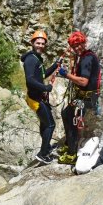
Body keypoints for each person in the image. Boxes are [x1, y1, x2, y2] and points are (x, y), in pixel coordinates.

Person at [57, 31, 101, 165]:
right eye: (74, 46)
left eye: (79, 44)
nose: (77, 48)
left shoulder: (87, 58)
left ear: (83, 43)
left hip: (86, 98)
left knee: (71, 119)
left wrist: (66, 75)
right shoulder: (84, 56)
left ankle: (71, 154)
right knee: (66, 114)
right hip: (83, 96)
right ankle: (68, 143)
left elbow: (83, 82)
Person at [21, 30, 59, 164]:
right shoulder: (31, 60)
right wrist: (45, 88)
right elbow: (30, 80)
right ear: (32, 43)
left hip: (35, 97)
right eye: (38, 43)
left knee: (45, 123)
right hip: (35, 99)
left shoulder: (36, 58)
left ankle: (46, 147)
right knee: (50, 125)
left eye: (43, 43)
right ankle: (43, 153)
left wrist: (55, 66)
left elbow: (41, 75)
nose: (40, 45)